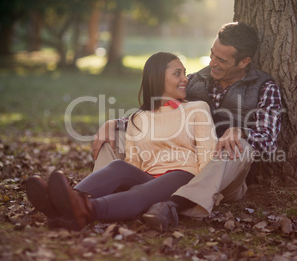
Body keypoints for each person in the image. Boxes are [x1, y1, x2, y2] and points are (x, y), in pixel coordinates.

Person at [93, 22, 282, 231]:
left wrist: (240, 131)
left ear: (243, 62)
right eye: (212, 55)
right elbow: (156, 114)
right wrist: (115, 124)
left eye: (221, 60)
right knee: (115, 137)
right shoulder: (195, 80)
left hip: (222, 176)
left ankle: (172, 205)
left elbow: (269, 141)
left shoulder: (264, 87)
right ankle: (96, 195)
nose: (212, 63)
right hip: (184, 163)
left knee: (238, 147)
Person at [25, 52, 217, 231]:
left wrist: (195, 194)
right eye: (178, 73)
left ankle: (86, 209)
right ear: (158, 78)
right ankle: (65, 200)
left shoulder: (197, 109)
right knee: (118, 166)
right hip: (149, 177)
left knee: (141, 191)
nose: (185, 78)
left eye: (184, 73)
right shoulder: (138, 118)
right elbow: (134, 164)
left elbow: (208, 157)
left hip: (183, 177)